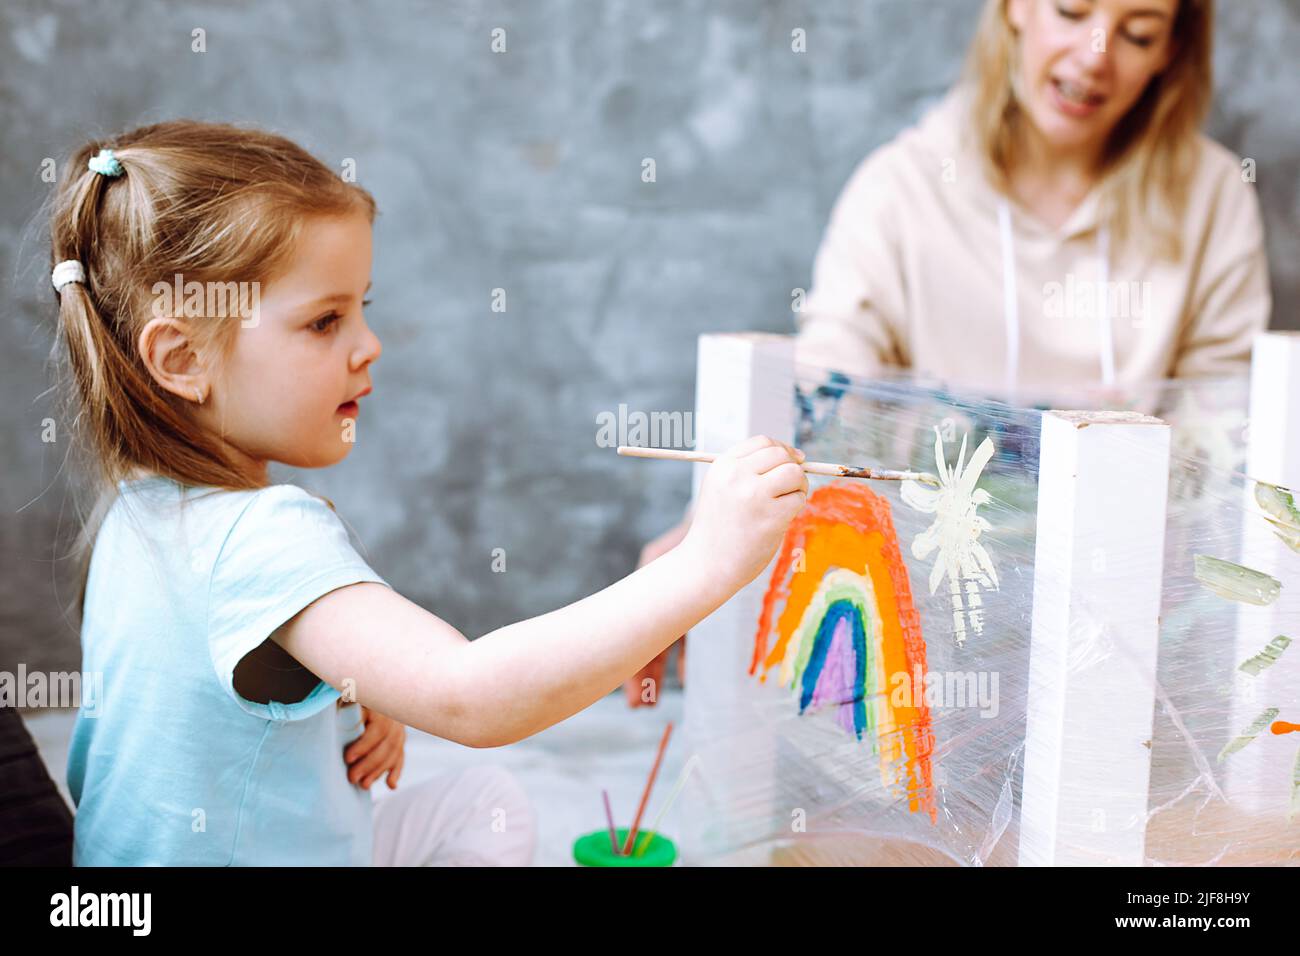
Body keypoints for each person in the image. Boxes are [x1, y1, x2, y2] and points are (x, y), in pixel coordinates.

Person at [51, 123, 809, 865]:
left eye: (361, 310)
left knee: (482, 804)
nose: (368, 344)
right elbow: (469, 697)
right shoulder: (266, 533)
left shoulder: (136, 511)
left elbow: (195, 710)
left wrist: (347, 690)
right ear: (182, 357)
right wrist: (706, 563)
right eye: (324, 321)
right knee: (496, 800)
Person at [625, 0, 1269, 707]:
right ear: (1014, 9)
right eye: (1071, 9)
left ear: (1171, 50)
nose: (1095, 52)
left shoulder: (1212, 196)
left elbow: (1231, 430)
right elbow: (822, 386)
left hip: (1132, 650)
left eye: (1138, 31)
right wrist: (700, 546)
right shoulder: (900, 188)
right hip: (922, 649)